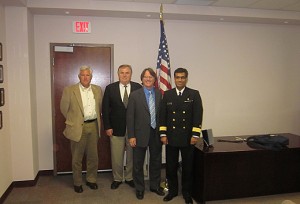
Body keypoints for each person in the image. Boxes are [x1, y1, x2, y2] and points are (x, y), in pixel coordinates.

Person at [159, 68, 203, 204]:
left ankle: (187, 193)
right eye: (177, 77)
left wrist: (195, 135)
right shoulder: (167, 94)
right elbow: (163, 116)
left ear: (186, 79)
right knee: (171, 167)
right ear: (174, 78)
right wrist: (163, 134)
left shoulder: (194, 94)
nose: (180, 80)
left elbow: (197, 116)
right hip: (171, 137)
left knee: (187, 168)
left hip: (187, 138)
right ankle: (172, 191)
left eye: (182, 77)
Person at [60, 65, 103, 193]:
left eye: (87, 75)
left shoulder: (97, 89)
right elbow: (64, 109)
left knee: (93, 156)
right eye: (83, 75)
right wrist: (74, 120)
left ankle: (91, 179)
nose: (85, 77)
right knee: (77, 158)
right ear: (79, 76)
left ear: (91, 77)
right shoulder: (69, 90)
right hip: (78, 127)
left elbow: (99, 106)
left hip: (94, 126)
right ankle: (77, 182)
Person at [127, 68, 165, 200]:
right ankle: (139, 188)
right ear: (141, 79)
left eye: (151, 77)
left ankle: (154, 186)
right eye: (145, 77)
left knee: (156, 161)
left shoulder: (159, 94)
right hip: (139, 134)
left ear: (155, 79)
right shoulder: (134, 95)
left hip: (156, 133)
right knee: (138, 164)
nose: (148, 79)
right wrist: (131, 136)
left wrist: (163, 133)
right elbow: (130, 117)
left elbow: (162, 115)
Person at [102, 64, 142, 189]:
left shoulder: (138, 87)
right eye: (122, 73)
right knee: (116, 155)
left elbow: (141, 109)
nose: (124, 75)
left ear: (131, 74)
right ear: (118, 74)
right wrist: (107, 126)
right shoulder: (110, 88)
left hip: (133, 130)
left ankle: (129, 177)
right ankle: (117, 178)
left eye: (127, 73)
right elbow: (105, 109)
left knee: (131, 155)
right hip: (115, 128)